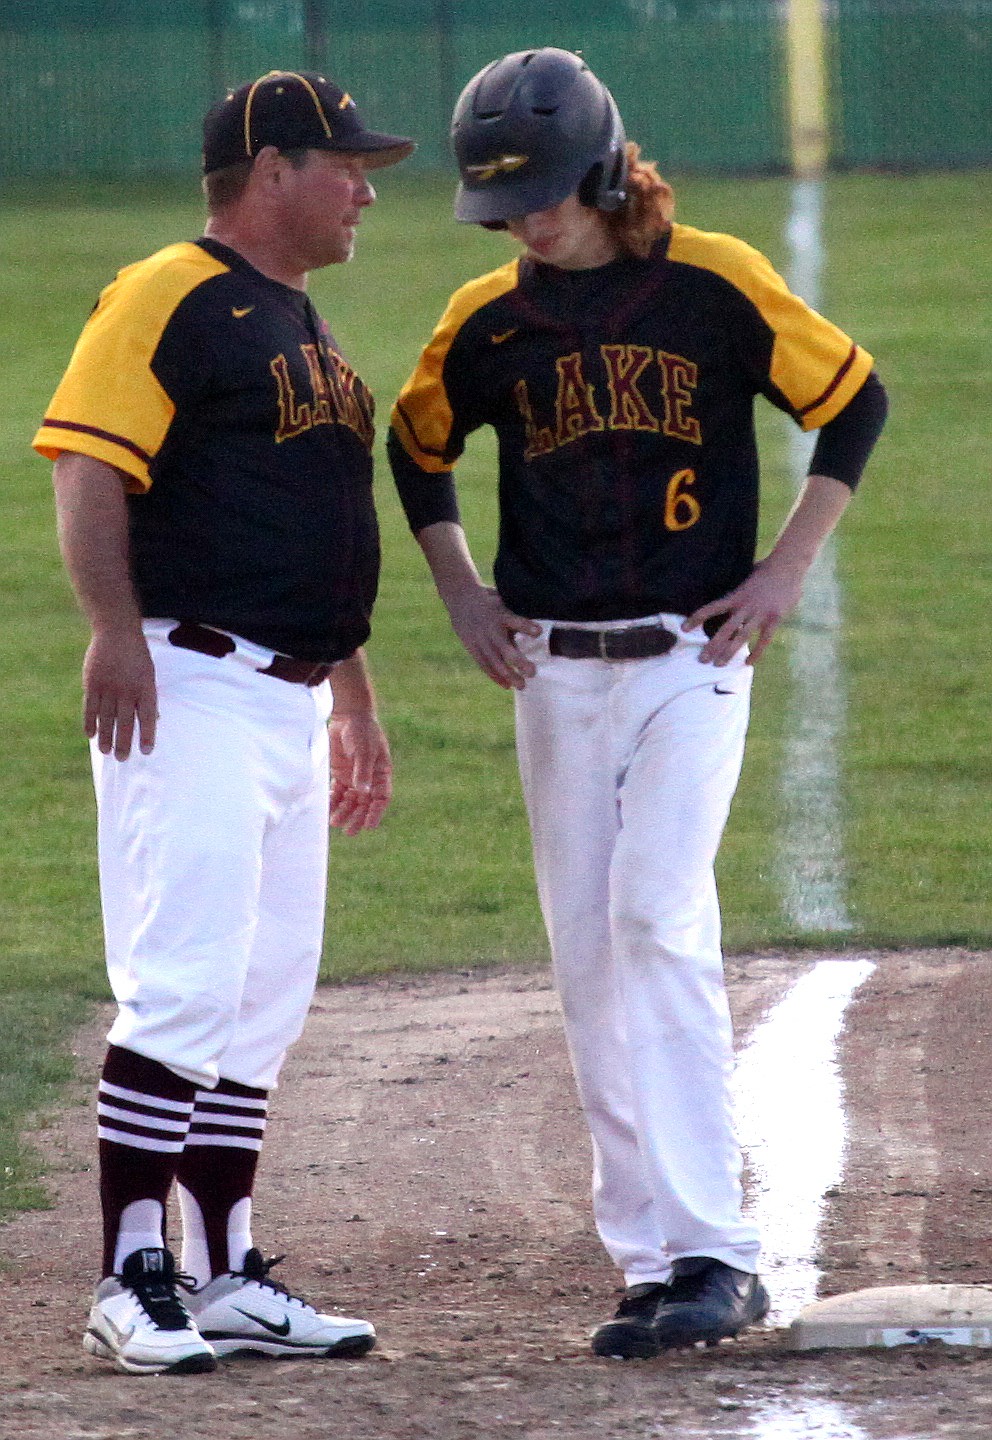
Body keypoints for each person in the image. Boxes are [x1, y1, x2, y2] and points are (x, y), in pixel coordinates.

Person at [388, 47, 887, 1358]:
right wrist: (459, 593)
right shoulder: (491, 321)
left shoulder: (714, 284)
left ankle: (719, 1254)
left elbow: (854, 402)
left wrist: (785, 568)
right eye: (506, 201)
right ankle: (654, 1259)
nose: (530, 219)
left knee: (655, 911)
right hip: (553, 673)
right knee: (591, 960)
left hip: (690, 660)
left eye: (546, 190)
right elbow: (416, 443)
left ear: (606, 167)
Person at [33, 69, 413, 1376]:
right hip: (188, 686)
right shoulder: (169, 295)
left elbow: (312, 525)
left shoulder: (300, 324)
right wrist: (116, 628)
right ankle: (131, 1276)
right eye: (347, 164)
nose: (367, 187)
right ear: (272, 170)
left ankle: (224, 1269)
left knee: (260, 1004)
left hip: (291, 703)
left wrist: (352, 697)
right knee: (184, 985)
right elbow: (88, 462)